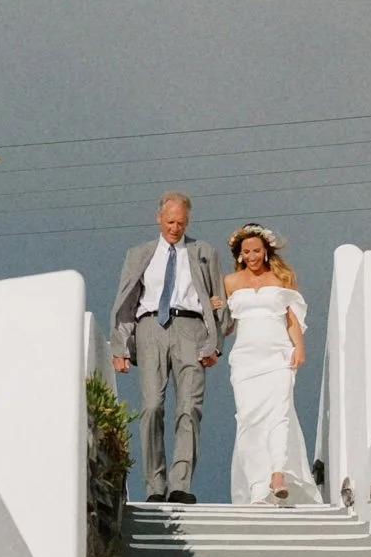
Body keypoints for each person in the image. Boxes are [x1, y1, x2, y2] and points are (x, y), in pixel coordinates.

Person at [110, 191, 230, 503]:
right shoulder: (140, 254)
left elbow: (219, 300)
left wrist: (215, 344)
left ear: (188, 222)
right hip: (150, 327)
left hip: (190, 328)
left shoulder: (203, 251)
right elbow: (126, 301)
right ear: (159, 218)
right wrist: (120, 346)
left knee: (189, 407)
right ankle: (155, 486)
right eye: (170, 221)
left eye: (181, 222)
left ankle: (180, 484)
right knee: (152, 407)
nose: (175, 228)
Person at [224, 222, 314, 506]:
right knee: (249, 420)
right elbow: (226, 326)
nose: (251, 256)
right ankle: (257, 488)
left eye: (256, 251)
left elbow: (291, 319)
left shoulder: (282, 278)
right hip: (245, 359)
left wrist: (298, 347)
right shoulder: (230, 282)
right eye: (246, 252)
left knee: (279, 414)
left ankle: (277, 474)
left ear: (266, 252)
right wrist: (216, 307)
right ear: (239, 254)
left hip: (277, 355)